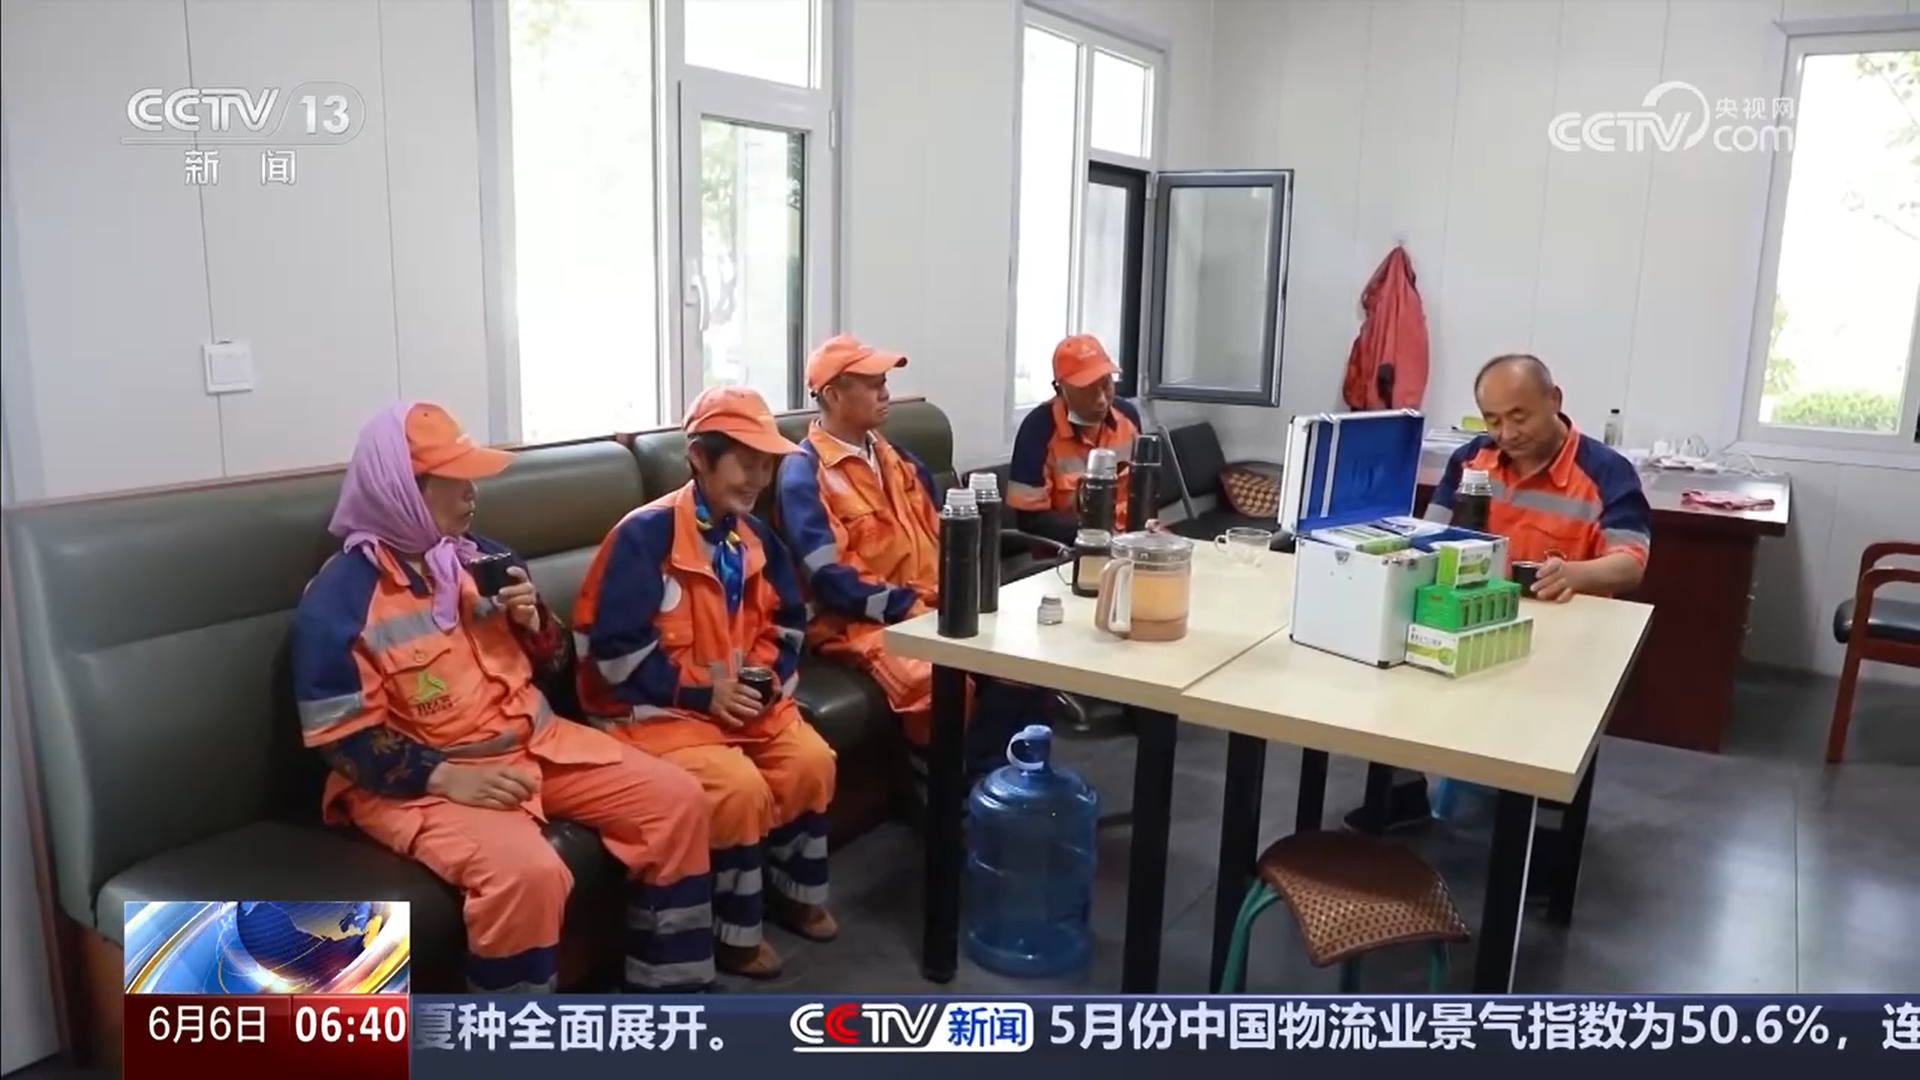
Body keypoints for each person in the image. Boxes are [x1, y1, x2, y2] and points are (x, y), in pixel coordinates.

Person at [293, 403, 714, 994]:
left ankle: (671, 991)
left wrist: (535, 623)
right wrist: (443, 776)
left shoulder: (483, 558)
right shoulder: (340, 599)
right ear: (403, 490)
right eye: (455, 480)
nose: (473, 493)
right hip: (422, 780)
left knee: (677, 800)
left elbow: (557, 664)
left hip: (537, 743)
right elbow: (339, 738)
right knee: (529, 875)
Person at [573, 386, 837, 981]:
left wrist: (764, 681)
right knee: (738, 789)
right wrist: (700, 694)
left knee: (811, 761)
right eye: (746, 462)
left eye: (767, 465)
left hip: (735, 703)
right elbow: (613, 655)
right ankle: (734, 933)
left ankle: (793, 894)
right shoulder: (644, 537)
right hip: (655, 711)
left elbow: (786, 624)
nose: (759, 479)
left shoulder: (755, 537)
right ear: (698, 457)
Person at [1349, 353, 1653, 831]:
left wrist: (1575, 575)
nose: (1507, 433)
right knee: (1394, 664)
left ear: (1554, 400)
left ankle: (1535, 824)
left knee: (1539, 727)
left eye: (1519, 416)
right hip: (1473, 615)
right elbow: (1427, 536)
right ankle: (1407, 793)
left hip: (1561, 639)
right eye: (1492, 420)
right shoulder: (1472, 459)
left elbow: (1630, 563)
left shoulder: (1607, 471)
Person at [772, 334, 1040, 782]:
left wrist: (952, 598)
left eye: (884, 382)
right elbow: (828, 578)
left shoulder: (900, 460)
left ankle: (1002, 777)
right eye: (873, 384)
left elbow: (944, 539)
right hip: (859, 623)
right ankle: (954, 792)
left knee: (1025, 661)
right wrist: (908, 605)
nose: (885, 393)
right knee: (940, 683)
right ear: (833, 396)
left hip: (929, 606)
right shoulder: (803, 474)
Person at [1006, 334, 1144, 545]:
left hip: (1130, 542)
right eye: (1088, 390)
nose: (1101, 400)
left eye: (1106, 385)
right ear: (1060, 390)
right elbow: (1030, 521)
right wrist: (1097, 534)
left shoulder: (1128, 417)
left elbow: (1140, 492)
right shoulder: (1038, 429)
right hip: (1068, 549)